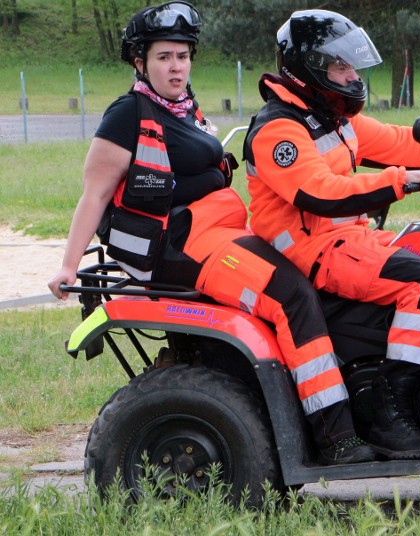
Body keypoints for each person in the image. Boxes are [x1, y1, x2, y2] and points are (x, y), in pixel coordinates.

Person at [46, 1, 375, 466]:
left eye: (182, 56)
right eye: (163, 57)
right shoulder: (127, 115)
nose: (176, 66)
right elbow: (94, 195)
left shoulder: (182, 107)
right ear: (141, 62)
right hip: (182, 245)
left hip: (220, 233)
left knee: (309, 278)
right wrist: (65, 265)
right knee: (290, 297)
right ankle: (336, 436)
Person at [243, 9, 420, 459]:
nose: (351, 77)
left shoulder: (334, 119)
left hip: (352, 241)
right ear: (308, 68)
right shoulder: (278, 130)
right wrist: (402, 181)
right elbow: (320, 193)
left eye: (352, 67)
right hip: (312, 253)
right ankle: (393, 412)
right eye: (339, 67)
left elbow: (404, 141)